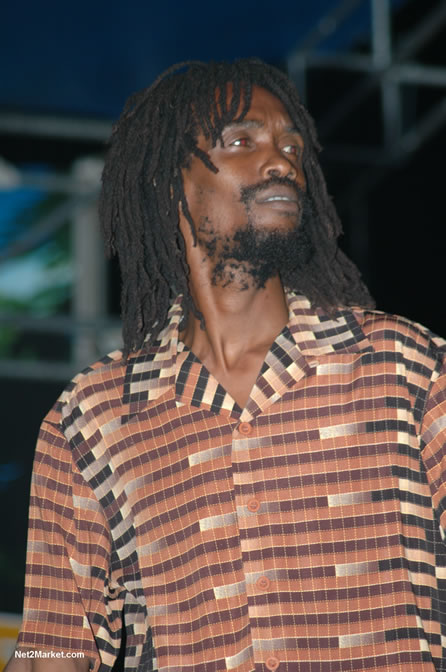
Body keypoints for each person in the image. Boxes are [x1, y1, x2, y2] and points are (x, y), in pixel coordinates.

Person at [7, 59, 446, 672]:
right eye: (242, 141)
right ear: (169, 180)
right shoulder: (94, 418)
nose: (281, 162)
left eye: (291, 147)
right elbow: (50, 646)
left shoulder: (404, 368)